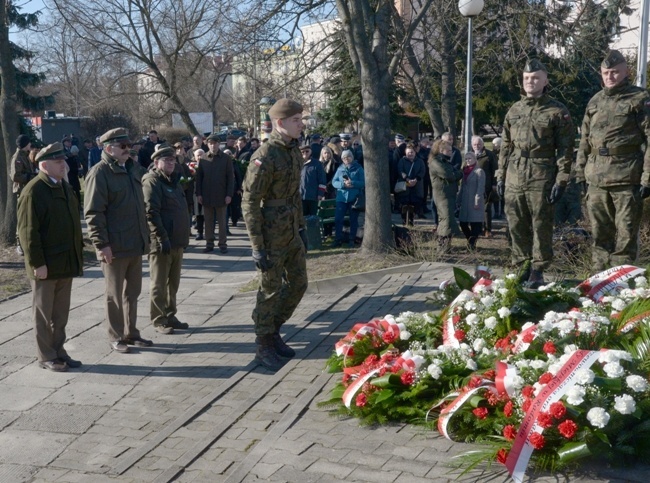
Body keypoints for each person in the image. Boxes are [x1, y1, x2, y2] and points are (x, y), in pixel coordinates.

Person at [242, 98, 309, 371]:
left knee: (299, 283)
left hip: (291, 231)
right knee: (270, 289)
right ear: (280, 123)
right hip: (271, 235)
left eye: (301, 119)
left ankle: (273, 331)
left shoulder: (292, 150)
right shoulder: (265, 156)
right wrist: (257, 246)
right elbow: (249, 202)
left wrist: (301, 228)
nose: (301, 124)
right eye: (296, 120)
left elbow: (295, 195)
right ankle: (263, 343)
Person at [496, 59, 574, 287]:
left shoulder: (557, 111)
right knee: (516, 223)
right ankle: (522, 265)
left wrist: (561, 179)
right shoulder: (514, 109)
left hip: (542, 173)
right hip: (514, 174)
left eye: (536, 78)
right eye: (527, 78)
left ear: (545, 80)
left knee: (541, 223)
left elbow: (566, 149)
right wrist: (500, 175)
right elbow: (506, 145)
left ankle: (538, 270)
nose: (531, 82)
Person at [576, 50, 650, 270]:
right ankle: (598, 287)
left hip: (627, 178)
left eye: (615, 72)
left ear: (626, 71)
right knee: (600, 239)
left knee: (625, 240)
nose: (610, 76)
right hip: (596, 180)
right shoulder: (595, 101)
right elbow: (584, 141)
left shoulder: (640, 99)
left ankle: (623, 290)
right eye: (606, 72)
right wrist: (579, 172)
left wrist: (647, 177)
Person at [17, 143, 84, 372]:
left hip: (65, 262)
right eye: (58, 162)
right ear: (44, 165)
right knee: (43, 314)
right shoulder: (34, 191)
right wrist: (38, 263)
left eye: (63, 161)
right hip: (46, 265)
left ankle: (59, 351)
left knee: (60, 315)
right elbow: (28, 232)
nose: (63, 165)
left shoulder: (64, 187)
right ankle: (46, 355)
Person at [84, 128, 151, 353]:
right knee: (114, 295)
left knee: (132, 293)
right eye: (122, 146)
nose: (127, 150)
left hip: (134, 242)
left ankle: (131, 332)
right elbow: (94, 212)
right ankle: (116, 336)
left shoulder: (131, 169)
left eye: (128, 145)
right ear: (108, 148)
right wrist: (101, 244)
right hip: (114, 245)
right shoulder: (99, 173)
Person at [143, 144, 191, 335]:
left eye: (173, 160)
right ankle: (159, 319)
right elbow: (151, 213)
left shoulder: (173, 181)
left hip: (177, 241)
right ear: (156, 162)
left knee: (173, 283)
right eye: (167, 160)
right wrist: (162, 237)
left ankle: (170, 314)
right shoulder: (152, 181)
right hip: (161, 242)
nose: (171, 163)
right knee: (159, 284)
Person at [195, 133, 234, 253]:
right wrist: (199, 194)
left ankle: (222, 244)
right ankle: (209, 243)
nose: (213, 146)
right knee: (208, 221)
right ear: (207, 144)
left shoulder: (226, 158)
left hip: (222, 195)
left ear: (219, 144)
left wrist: (229, 194)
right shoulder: (204, 159)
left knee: (222, 222)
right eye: (210, 143)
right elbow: (199, 179)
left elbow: (230, 178)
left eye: (215, 143)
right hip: (207, 195)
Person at [429, 140, 463, 251]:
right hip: (442, 195)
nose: (450, 152)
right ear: (440, 150)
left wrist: (456, 174)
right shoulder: (436, 162)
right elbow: (449, 175)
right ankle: (442, 247)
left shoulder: (444, 161)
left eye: (451, 150)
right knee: (446, 219)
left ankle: (446, 245)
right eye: (448, 150)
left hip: (448, 194)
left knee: (448, 219)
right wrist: (460, 173)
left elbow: (452, 173)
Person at [332, 150, 365, 247]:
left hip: (354, 198)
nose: (346, 159)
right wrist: (343, 184)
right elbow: (334, 182)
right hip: (341, 198)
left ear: (352, 157)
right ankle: (338, 239)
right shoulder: (340, 169)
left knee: (353, 220)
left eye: (348, 157)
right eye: (344, 158)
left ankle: (352, 239)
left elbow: (363, 182)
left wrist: (353, 183)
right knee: (338, 219)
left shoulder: (358, 168)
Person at [10, 134, 37, 256]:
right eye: (28, 143)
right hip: (21, 191)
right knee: (22, 217)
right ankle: (19, 244)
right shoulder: (17, 157)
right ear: (25, 144)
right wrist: (29, 177)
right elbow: (15, 176)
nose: (30, 145)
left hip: (28, 189)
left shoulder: (26, 155)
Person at [457, 152, 486, 250]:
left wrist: (477, 201)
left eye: (470, 158)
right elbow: (461, 187)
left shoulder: (479, 171)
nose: (468, 161)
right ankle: (471, 241)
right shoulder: (464, 171)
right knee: (463, 223)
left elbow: (480, 188)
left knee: (476, 224)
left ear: (474, 159)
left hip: (475, 201)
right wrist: (458, 200)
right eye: (466, 159)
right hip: (465, 201)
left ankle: (471, 244)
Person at [472, 135, 498, 237]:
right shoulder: (470, 154)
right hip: (473, 186)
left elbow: (495, 170)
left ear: (482, 144)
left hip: (486, 185)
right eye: (474, 144)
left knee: (486, 208)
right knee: (475, 208)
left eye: (478, 144)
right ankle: (477, 228)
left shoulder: (489, 155)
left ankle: (488, 229)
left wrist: (494, 184)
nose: (476, 146)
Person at [397, 144, 426, 226]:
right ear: (405, 153)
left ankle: (411, 221)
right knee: (404, 204)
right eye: (409, 152)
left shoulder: (420, 161)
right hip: (405, 186)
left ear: (415, 153)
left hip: (416, 186)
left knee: (414, 204)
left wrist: (416, 179)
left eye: (412, 152)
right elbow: (400, 171)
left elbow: (422, 171)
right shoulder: (401, 161)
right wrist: (407, 179)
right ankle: (404, 220)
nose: (410, 154)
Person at [299, 143, 327, 216]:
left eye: (307, 151)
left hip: (313, 196)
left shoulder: (317, 164)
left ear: (310, 152)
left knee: (312, 219)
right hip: (300, 197)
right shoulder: (297, 164)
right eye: (302, 152)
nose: (305, 153)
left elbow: (322, 180)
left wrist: (320, 194)